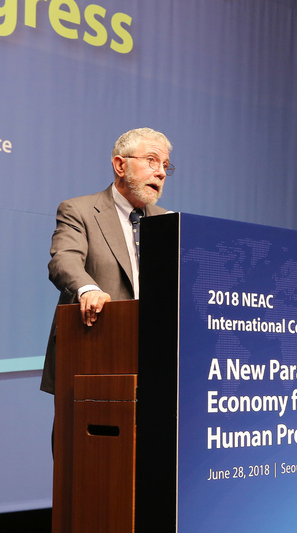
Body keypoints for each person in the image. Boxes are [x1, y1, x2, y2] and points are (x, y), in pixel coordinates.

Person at [40, 127, 174, 395]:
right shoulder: (80, 210)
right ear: (120, 165)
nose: (160, 172)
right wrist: (88, 289)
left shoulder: (167, 221)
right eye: (151, 160)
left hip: (155, 354)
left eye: (165, 166)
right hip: (93, 346)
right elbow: (64, 259)